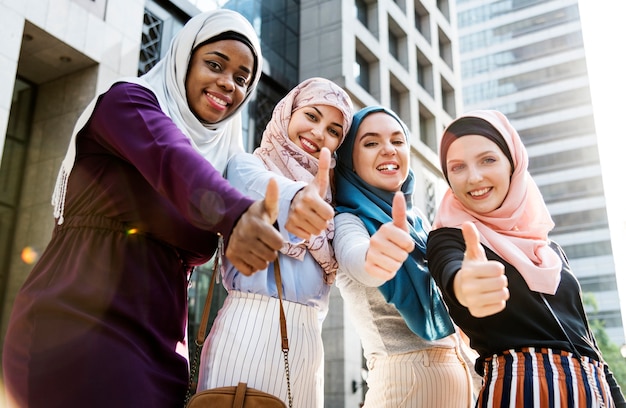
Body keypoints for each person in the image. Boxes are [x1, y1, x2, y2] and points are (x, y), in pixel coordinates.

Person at [2, 9, 293, 408]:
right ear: (183, 60)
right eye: (214, 65)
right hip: (77, 325)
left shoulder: (223, 160)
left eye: (242, 79)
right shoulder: (127, 102)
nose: (228, 84)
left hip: (162, 350)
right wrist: (238, 213)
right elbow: (171, 158)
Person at [426, 109, 626, 407]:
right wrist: (465, 285)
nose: (475, 177)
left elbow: (587, 341)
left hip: (594, 390)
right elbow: (451, 270)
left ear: (513, 163)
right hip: (522, 391)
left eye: (488, 160)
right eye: (457, 167)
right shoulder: (451, 237)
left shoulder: (550, 251)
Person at [196, 77, 354, 408]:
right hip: (250, 332)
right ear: (288, 113)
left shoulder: (334, 197)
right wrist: (300, 199)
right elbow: (260, 190)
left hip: (309, 344)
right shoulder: (247, 164)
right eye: (311, 116)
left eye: (334, 130)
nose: (318, 133)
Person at [332, 106, 475, 407]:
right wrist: (376, 259)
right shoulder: (347, 220)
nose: (388, 150)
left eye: (398, 141)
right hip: (402, 390)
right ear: (350, 161)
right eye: (371, 143)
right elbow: (356, 258)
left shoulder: (419, 223)